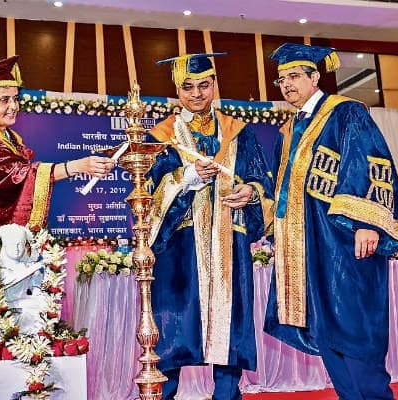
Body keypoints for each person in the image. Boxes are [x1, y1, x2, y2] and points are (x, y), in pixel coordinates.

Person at [263, 43, 398, 400]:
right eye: (281, 80)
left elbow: (369, 161)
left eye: (294, 76)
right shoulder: (291, 129)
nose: (287, 85)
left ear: (315, 77)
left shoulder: (345, 112)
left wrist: (367, 223)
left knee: (355, 327)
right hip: (309, 245)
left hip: (345, 240)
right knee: (326, 329)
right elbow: (280, 190)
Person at [0, 55, 115, 339]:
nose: (13, 106)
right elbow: (15, 177)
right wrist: (77, 166)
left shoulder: (8, 139)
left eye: (16, 99)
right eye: (4, 100)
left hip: (4, 246)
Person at [148, 54, 274, 400]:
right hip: (180, 248)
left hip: (229, 245)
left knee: (230, 326)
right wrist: (186, 177)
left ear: (214, 84)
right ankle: (163, 395)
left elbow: (262, 181)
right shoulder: (161, 137)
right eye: (188, 87)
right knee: (174, 326)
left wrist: (251, 193)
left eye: (204, 85)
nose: (197, 94)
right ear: (177, 90)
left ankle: (228, 395)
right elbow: (147, 194)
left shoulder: (239, 133)